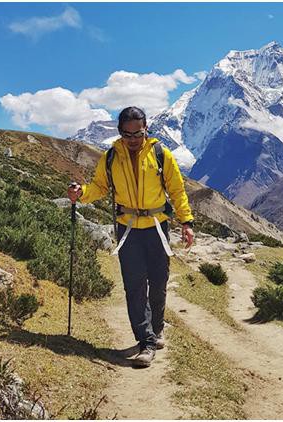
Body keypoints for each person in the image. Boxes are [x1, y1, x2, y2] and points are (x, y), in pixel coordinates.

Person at [67, 106, 194, 367]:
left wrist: (186, 222)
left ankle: (156, 329)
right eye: (127, 134)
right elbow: (100, 187)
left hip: (157, 226)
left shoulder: (161, 154)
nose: (133, 139)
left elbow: (177, 190)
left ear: (146, 129)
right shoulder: (112, 157)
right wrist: (82, 193)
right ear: (120, 132)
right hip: (128, 228)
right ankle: (146, 342)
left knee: (158, 283)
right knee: (134, 286)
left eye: (138, 134)